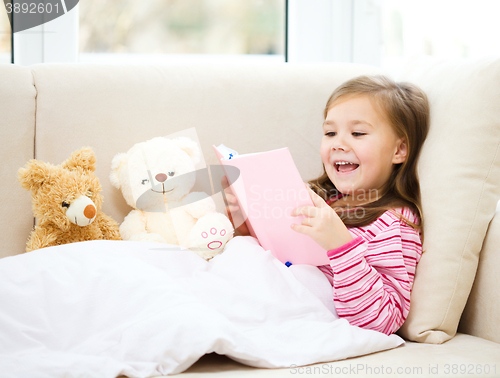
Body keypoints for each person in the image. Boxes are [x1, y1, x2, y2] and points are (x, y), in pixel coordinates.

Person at [223, 75, 429, 335]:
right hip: (264, 292)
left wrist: (341, 245)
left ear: (399, 150)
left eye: (358, 133)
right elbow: (280, 255)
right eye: (330, 132)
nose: (338, 144)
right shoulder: (318, 197)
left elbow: (382, 321)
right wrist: (244, 223)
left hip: (299, 311)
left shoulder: (394, 225)